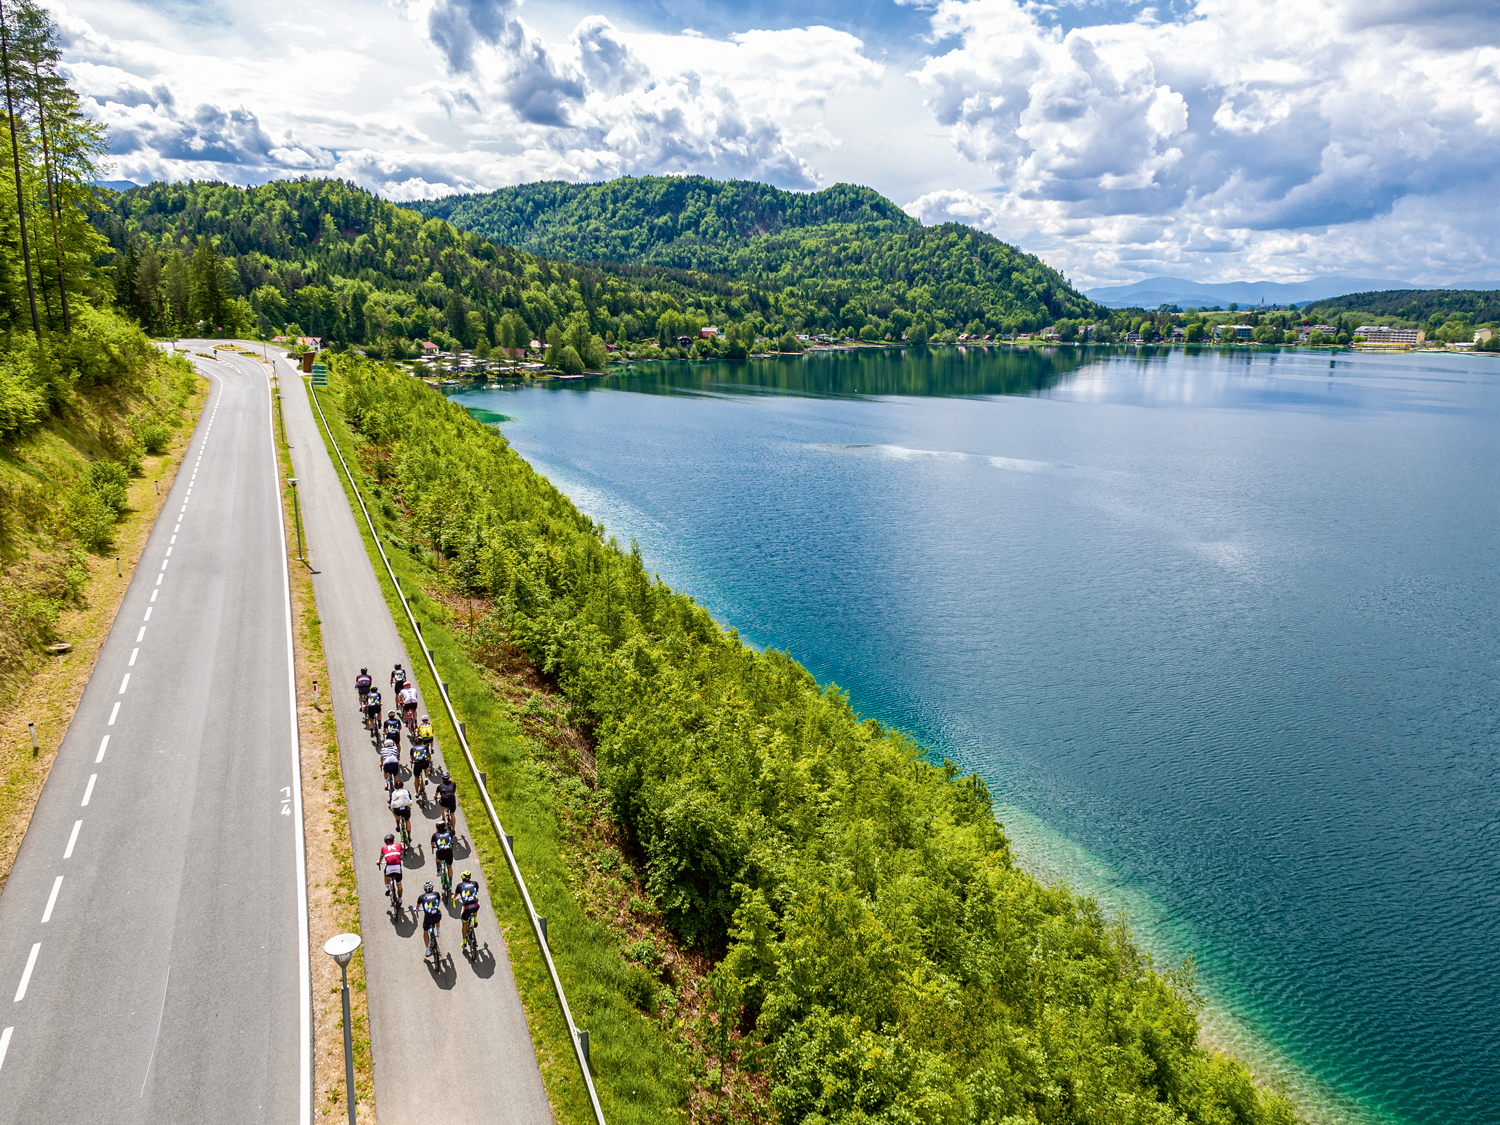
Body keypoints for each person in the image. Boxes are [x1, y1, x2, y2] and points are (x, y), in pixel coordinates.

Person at [455, 869, 481, 951]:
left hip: (466, 908)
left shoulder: (459, 886)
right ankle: (475, 921)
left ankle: (464, 941)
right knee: (475, 903)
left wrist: (453, 898)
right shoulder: (475, 883)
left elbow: (454, 896)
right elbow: (477, 891)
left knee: (464, 924)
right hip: (476, 905)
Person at [418, 880, 443, 958]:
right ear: (432, 888)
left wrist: (416, 910)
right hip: (437, 915)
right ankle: (438, 930)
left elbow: (417, 907)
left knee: (425, 931)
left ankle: (427, 949)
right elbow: (438, 902)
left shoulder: (421, 897)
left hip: (428, 918)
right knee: (438, 913)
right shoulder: (436, 894)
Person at [380, 833, 404, 906]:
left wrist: (379, 862)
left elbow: (381, 857)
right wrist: (400, 858)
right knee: (399, 884)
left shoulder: (383, 848)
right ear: (393, 840)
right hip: (397, 867)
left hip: (389, 867)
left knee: (386, 874)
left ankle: (387, 888)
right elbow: (402, 855)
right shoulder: (399, 845)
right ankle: (400, 899)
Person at [432, 822, 454, 889]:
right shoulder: (449, 833)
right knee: (449, 867)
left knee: (437, 857)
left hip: (440, 853)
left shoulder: (435, 835)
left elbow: (432, 844)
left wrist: (434, 846)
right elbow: (453, 840)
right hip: (448, 852)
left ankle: (438, 870)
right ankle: (450, 883)